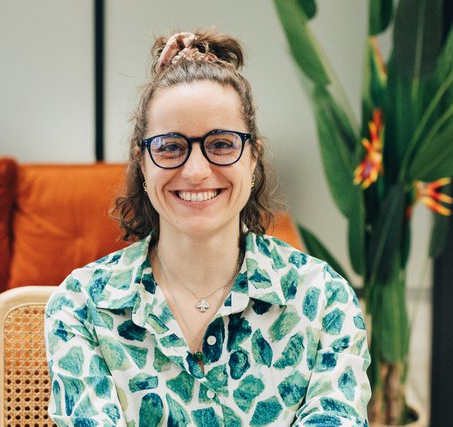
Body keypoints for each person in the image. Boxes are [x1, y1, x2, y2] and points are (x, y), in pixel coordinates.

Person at [44, 30, 371, 426]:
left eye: (221, 144)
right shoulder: (81, 305)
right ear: (142, 163)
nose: (196, 171)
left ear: (253, 157)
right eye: (170, 147)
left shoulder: (324, 299)